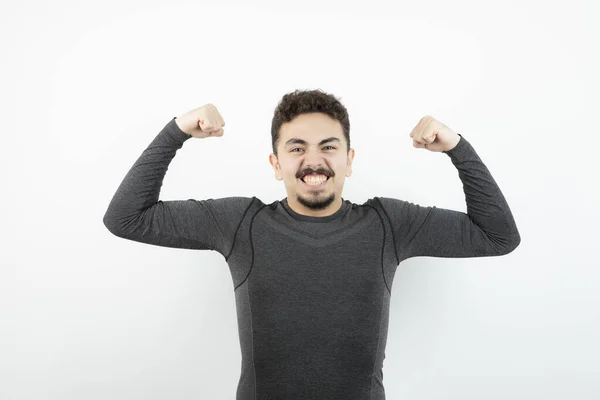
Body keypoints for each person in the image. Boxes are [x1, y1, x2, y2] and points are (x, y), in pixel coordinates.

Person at [103, 89, 520, 399]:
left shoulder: (389, 224)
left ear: (349, 161)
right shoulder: (240, 223)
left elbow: (498, 235)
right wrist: (176, 130)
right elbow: (125, 218)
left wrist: (457, 148)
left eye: (328, 147)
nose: (313, 160)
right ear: (276, 163)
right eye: (296, 147)